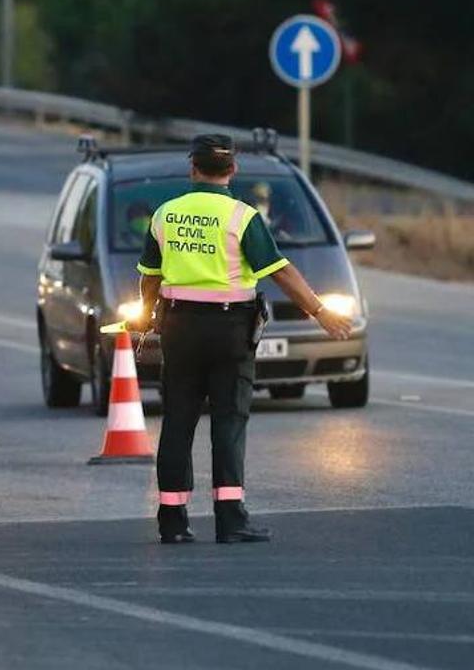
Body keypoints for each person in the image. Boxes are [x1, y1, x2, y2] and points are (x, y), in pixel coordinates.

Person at [132, 135, 352, 544]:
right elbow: (280, 271)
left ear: (192, 169)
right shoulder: (242, 217)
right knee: (229, 420)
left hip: (180, 329)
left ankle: (172, 521)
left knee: (178, 421)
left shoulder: (165, 214)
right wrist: (320, 312)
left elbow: (149, 274)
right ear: (232, 171)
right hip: (230, 330)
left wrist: (147, 316)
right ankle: (231, 519)